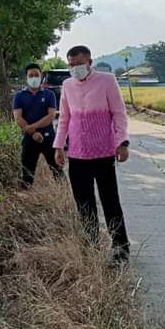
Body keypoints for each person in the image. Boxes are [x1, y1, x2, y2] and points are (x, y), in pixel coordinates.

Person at [54, 46, 131, 263]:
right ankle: (91, 246)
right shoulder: (67, 85)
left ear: (90, 62)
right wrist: (58, 146)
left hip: (103, 153)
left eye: (79, 63)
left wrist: (122, 142)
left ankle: (120, 248)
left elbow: (119, 114)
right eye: (71, 64)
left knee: (110, 202)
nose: (75, 68)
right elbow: (64, 119)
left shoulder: (107, 81)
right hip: (77, 154)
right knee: (83, 204)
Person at [13, 63, 61, 187]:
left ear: (41, 76)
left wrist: (33, 127)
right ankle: (27, 193)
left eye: (36, 75)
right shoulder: (19, 96)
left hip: (49, 138)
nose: (34, 78)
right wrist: (33, 133)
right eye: (31, 75)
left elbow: (51, 116)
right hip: (29, 139)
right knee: (27, 176)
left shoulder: (49, 94)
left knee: (58, 172)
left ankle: (63, 195)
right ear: (26, 77)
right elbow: (18, 118)